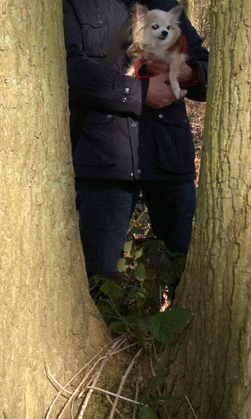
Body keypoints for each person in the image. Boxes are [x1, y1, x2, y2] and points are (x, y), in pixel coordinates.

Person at [63, 0, 208, 279]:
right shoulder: (74, 4)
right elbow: (69, 69)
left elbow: (206, 68)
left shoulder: (165, 4)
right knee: (101, 278)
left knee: (187, 269)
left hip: (170, 158)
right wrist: (137, 93)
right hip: (106, 163)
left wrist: (185, 71)